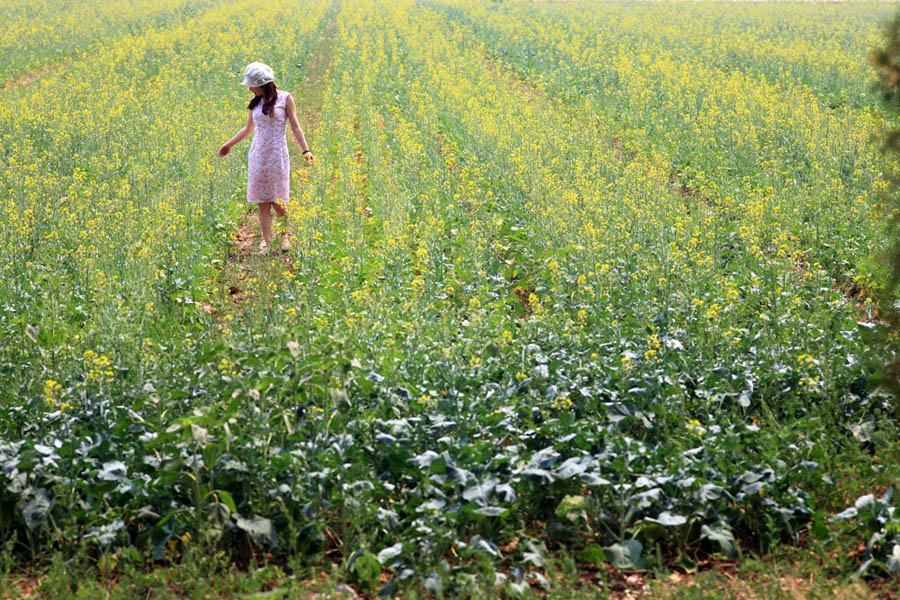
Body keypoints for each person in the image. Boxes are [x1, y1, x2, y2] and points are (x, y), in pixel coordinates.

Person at [218, 62, 314, 254]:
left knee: (278, 201)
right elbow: (248, 129)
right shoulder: (256, 102)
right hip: (258, 156)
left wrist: (306, 150)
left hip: (278, 155)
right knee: (263, 202)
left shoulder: (286, 99)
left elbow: (295, 126)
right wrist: (229, 144)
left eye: (252, 85)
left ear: (262, 84)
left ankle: (284, 237)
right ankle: (268, 242)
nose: (250, 88)